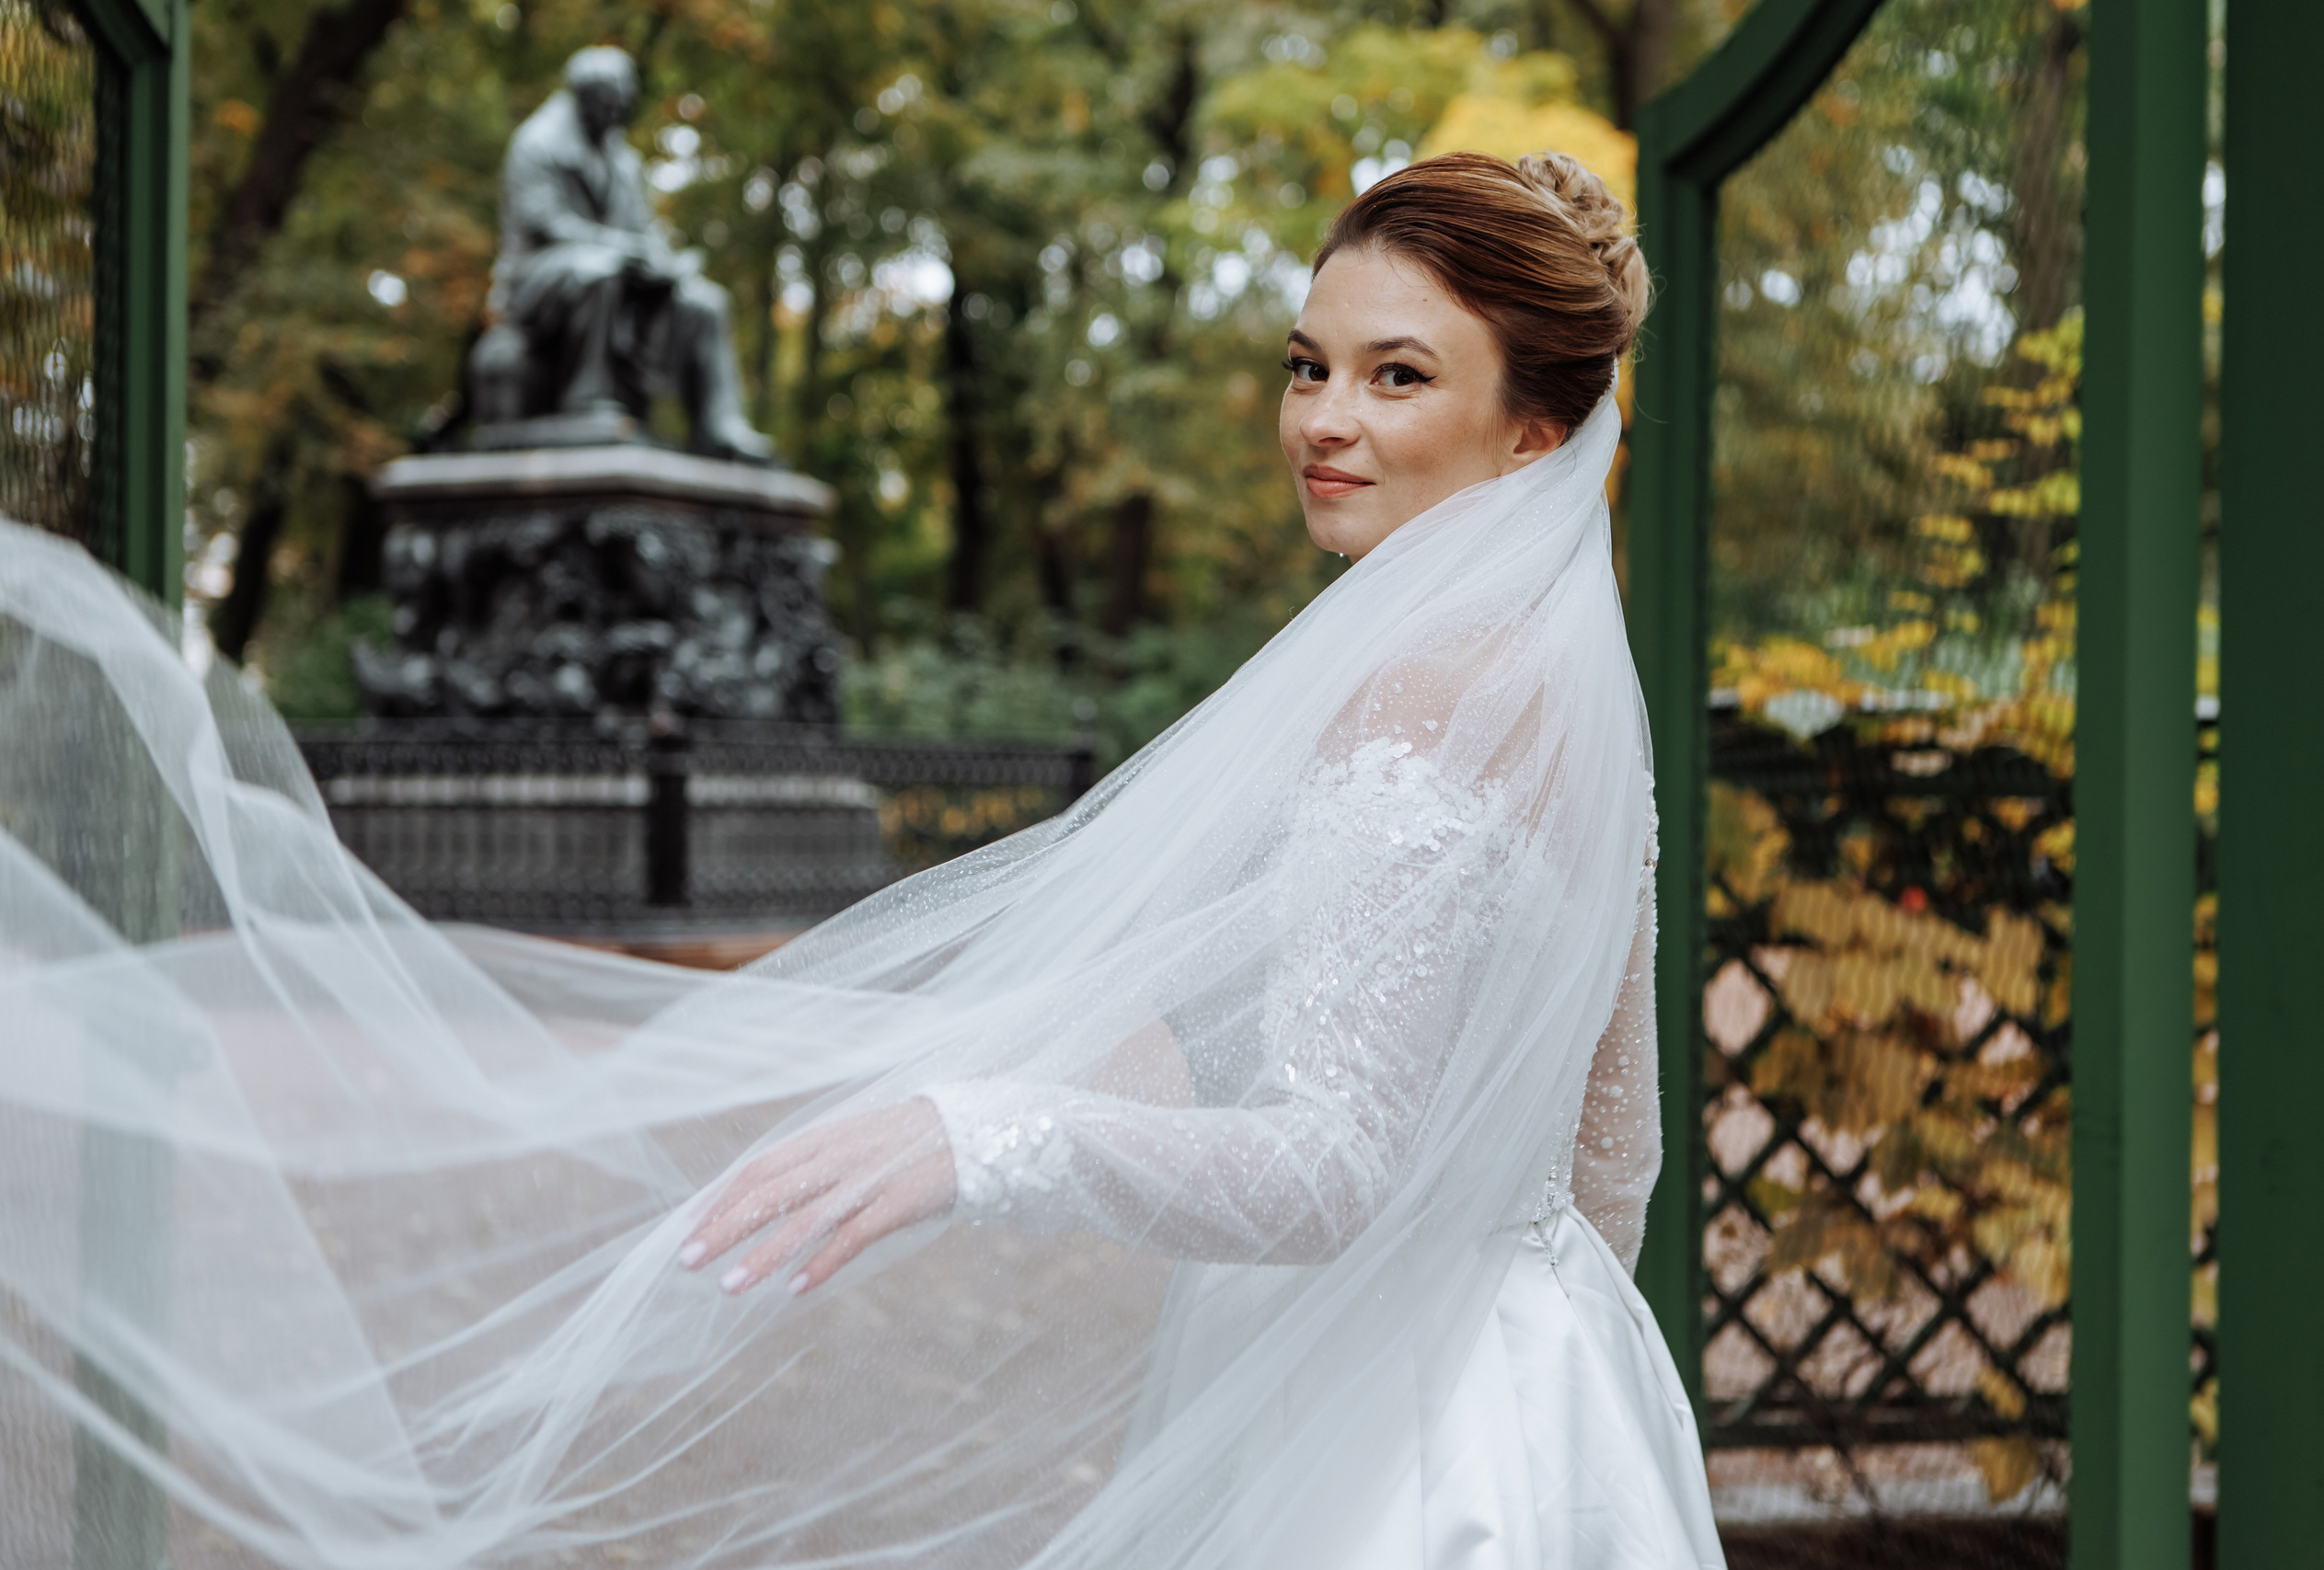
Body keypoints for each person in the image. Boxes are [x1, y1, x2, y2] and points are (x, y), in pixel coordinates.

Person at [0, 151, 1720, 1569]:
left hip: (1404, 1450)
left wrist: (985, 1134)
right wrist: (1543, 1356)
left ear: (1533, 434)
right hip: (1556, 1382)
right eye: (1308, 363)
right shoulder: (1577, 699)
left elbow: (1332, 1169)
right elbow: (1611, 1150)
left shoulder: (1415, 695)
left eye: (1398, 375)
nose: (1324, 418)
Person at [473, 46, 775, 462]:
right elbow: (547, 225)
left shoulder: (622, 160)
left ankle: (720, 425)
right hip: (537, 277)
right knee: (599, 271)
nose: (617, 114)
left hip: (614, 266)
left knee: (705, 302)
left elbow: (642, 230)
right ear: (583, 98)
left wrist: (664, 263)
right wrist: (622, 249)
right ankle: (586, 400)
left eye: (621, 104)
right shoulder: (537, 142)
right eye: (608, 104)